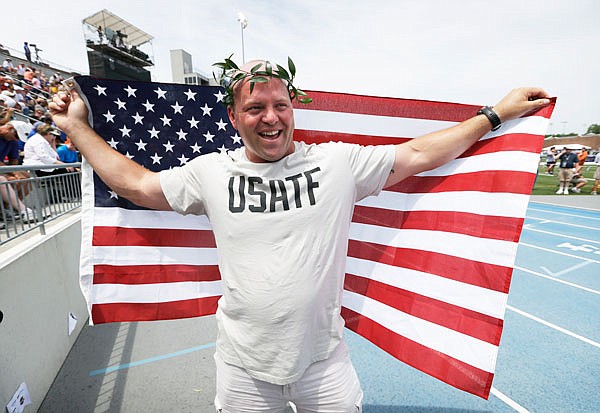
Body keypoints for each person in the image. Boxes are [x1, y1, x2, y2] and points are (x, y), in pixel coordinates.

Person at [49, 58, 550, 412]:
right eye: (255, 108)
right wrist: (77, 129)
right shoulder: (210, 173)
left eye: (280, 105)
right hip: (243, 369)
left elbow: (419, 154)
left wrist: (496, 114)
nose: (271, 117)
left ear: (293, 109)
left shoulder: (336, 162)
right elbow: (135, 184)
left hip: (324, 361)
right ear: (234, 118)